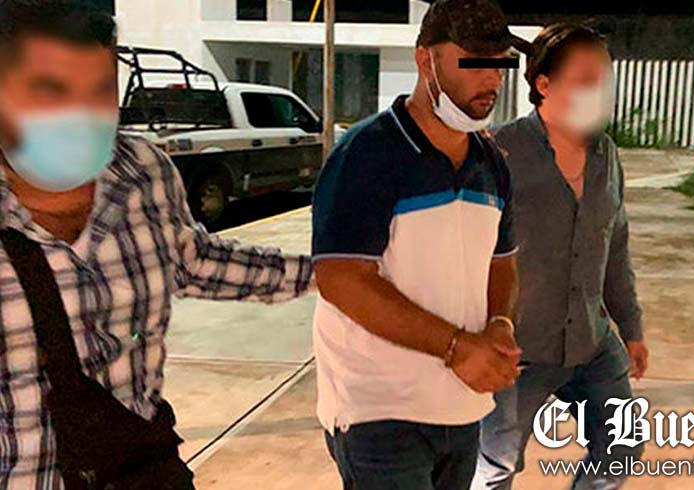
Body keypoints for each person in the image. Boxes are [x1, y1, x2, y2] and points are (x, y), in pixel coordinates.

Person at [0, 2, 313, 488]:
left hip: (142, 465)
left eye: (100, 90)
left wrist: (321, 272)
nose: (81, 116)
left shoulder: (141, 169)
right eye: (51, 91)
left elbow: (190, 259)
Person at [310, 0, 531, 488]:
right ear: (425, 60)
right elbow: (341, 279)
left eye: (499, 63)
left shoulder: (491, 164)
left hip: (462, 408)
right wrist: (455, 346)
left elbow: (502, 263)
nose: (492, 79)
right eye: (474, 61)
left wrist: (499, 324)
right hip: (378, 412)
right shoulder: (367, 154)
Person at [471, 23, 648, 490]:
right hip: (517, 349)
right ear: (545, 85)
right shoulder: (497, 153)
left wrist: (631, 328)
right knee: (494, 469)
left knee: (622, 446)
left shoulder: (607, 156)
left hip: (590, 341)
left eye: (604, 81)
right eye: (586, 81)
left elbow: (615, 246)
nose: (600, 93)